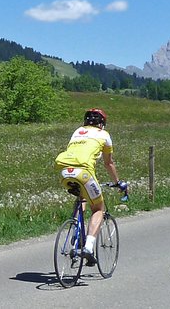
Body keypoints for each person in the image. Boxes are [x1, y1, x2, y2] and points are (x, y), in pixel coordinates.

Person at [55, 108, 127, 266]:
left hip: (64, 171)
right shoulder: (104, 135)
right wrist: (118, 182)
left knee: (83, 196)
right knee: (98, 208)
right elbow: (108, 163)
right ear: (102, 123)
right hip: (84, 172)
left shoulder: (78, 131)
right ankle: (88, 247)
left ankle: (76, 230)